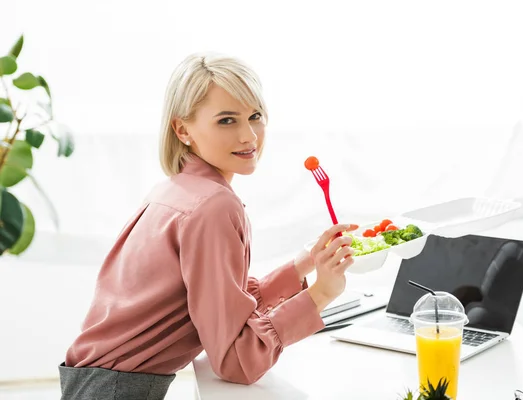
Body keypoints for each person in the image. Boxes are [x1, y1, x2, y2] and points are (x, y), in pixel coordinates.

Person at [58, 52, 358, 400]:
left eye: (255, 116)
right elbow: (236, 360)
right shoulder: (214, 206)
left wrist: (304, 264)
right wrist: (321, 293)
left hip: (94, 385)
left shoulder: (176, 189)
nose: (250, 136)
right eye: (227, 121)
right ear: (182, 129)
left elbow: (220, 301)